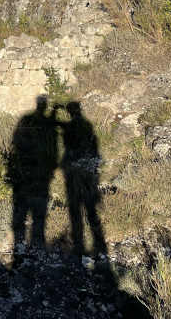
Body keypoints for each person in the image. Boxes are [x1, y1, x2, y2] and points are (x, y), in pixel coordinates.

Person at [8, 96, 59, 251]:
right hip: (36, 164)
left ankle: (25, 238)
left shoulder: (27, 119)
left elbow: (17, 139)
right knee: (35, 200)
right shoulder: (35, 121)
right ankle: (35, 239)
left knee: (27, 199)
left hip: (33, 164)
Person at [59, 101, 107, 256]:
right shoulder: (86, 124)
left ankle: (80, 240)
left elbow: (68, 144)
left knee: (76, 203)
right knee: (89, 200)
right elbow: (94, 144)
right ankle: (95, 236)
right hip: (87, 163)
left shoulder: (72, 126)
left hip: (77, 164)